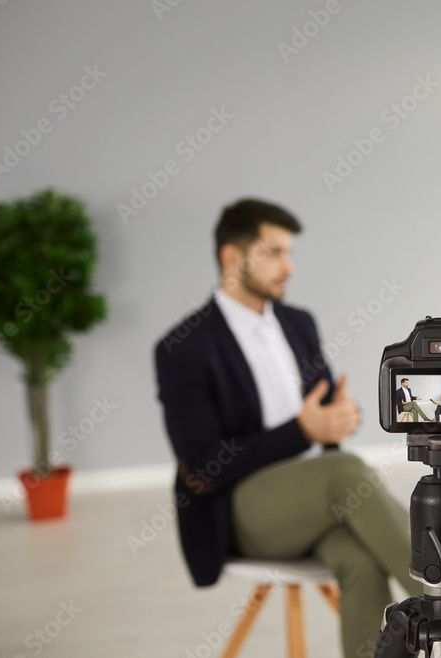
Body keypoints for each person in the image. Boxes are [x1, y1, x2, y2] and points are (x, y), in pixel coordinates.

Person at [153, 198, 420, 658]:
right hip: (242, 509)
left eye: (289, 252)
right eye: (273, 253)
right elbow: (205, 464)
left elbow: (322, 414)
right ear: (232, 258)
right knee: (347, 472)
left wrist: (341, 417)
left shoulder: (298, 323)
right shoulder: (184, 347)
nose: (289, 267)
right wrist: (305, 430)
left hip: (316, 497)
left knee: (360, 561)